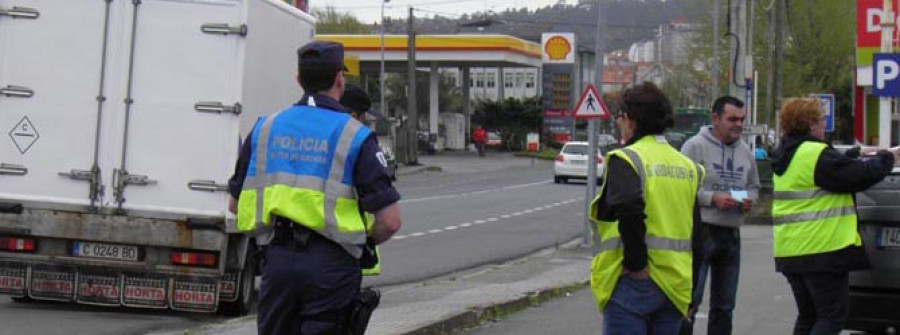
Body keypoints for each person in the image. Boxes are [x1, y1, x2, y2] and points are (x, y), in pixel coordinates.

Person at [227, 41, 402, 334]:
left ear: (299, 80)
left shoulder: (264, 128)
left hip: (277, 263)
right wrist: (364, 242)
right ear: (339, 79)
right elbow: (390, 221)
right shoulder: (355, 135)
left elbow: (234, 205)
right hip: (332, 267)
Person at [771, 98, 898, 334]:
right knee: (831, 317)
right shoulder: (816, 154)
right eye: (821, 120)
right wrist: (888, 158)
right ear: (810, 123)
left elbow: (832, 169)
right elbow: (860, 175)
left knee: (808, 316)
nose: (823, 125)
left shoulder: (787, 153)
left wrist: (856, 152)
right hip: (821, 250)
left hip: (791, 250)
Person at [589, 82, 705, 334]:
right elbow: (696, 233)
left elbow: (629, 207)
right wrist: (691, 292)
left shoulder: (627, 158)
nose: (619, 123)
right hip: (675, 285)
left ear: (630, 120)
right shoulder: (687, 166)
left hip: (635, 282)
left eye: (620, 117)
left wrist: (636, 262)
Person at [679, 96, 760, 335]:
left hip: (730, 235)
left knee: (725, 306)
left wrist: (746, 199)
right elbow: (683, 186)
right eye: (732, 119)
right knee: (690, 302)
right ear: (715, 118)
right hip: (701, 232)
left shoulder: (745, 151)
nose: (738, 124)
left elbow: (754, 186)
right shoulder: (694, 146)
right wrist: (711, 199)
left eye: (742, 119)